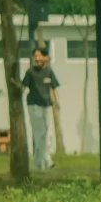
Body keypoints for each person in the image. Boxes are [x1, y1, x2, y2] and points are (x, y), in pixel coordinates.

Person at [22, 42, 60, 171]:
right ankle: (47, 160)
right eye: (35, 56)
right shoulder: (30, 72)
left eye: (39, 56)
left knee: (43, 134)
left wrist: (56, 102)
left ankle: (38, 163)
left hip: (46, 105)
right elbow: (23, 87)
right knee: (40, 133)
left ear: (46, 57)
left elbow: (54, 88)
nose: (37, 59)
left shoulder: (49, 72)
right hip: (34, 105)